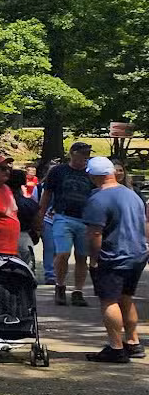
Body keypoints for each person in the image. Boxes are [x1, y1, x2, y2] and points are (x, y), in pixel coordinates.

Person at [81, 156, 148, 362]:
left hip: (113, 256)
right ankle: (134, 342)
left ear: (93, 176)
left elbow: (95, 233)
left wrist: (94, 258)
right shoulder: (132, 195)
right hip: (137, 254)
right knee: (126, 298)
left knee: (109, 300)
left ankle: (116, 347)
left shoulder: (98, 199)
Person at [40, 142, 97, 305]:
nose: (85, 157)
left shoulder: (91, 174)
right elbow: (47, 194)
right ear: (73, 153)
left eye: (88, 154)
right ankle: (60, 285)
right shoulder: (58, 171)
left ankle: (78, 291)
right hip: (63, 216)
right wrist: (40, 215)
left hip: (85, 220)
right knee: (62, 253)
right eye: (82, 153)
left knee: (81, 256)